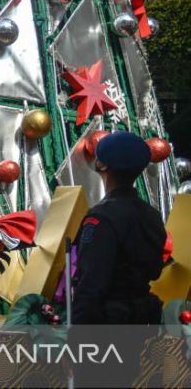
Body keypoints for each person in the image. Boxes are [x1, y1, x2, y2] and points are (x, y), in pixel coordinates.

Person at [71, 131, 166, 387]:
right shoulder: (152, 216)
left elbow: (91, 283)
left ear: (102, 164)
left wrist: (77, 340)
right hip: (135, 325)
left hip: (102, 329)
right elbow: (155, 269)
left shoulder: (101, 217)